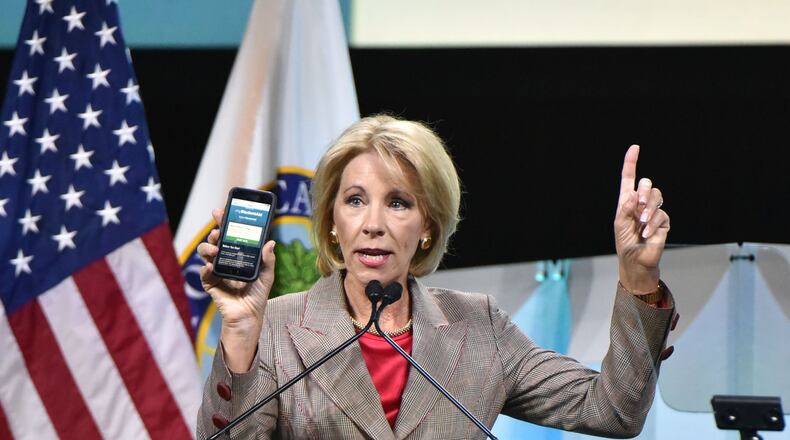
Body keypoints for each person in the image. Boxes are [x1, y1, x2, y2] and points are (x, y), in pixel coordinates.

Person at [196, 115, 676, 439]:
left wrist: (638, 278)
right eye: (355, 200)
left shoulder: (478, 327)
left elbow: (613, 409)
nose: (373, 223)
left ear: (427, 227)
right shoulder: (276, 328)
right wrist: (240, 331)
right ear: (331, 222)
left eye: (398, 202)